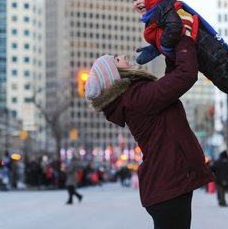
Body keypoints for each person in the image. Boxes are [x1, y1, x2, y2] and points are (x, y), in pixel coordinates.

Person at [85, 36, 214, 229]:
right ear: (116, 74)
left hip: (166, 184)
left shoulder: (136, 97)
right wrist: (183, 39)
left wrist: (168, 49)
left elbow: (172, 80)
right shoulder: (138, 99)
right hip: (168, 185)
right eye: (116, 59)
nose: (122, 56)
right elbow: (185, 75)